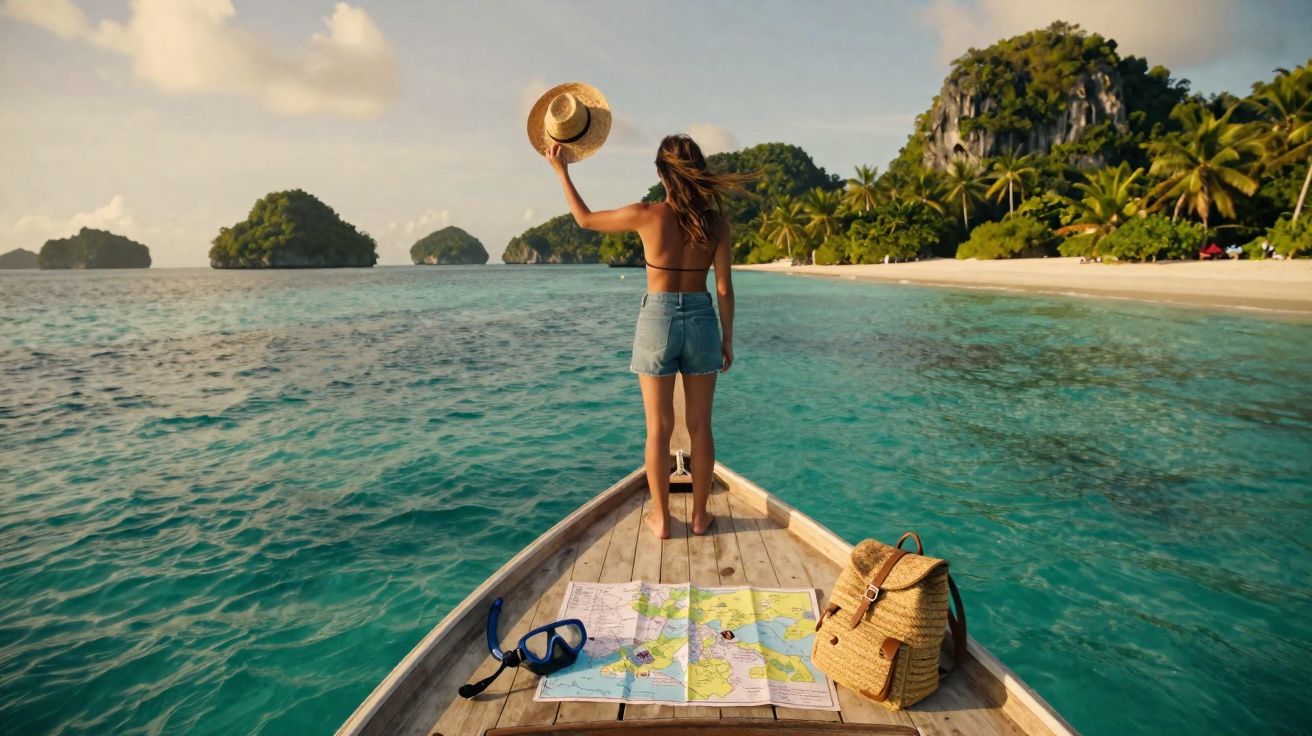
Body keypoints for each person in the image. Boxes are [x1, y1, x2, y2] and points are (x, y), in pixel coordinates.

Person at [535, 98, 748, 538]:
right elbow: (724, 288)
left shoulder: (647, 215)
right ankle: (700, 516)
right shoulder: (717, 224)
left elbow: (585, 219)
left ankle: (661, 518)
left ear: (660, 174)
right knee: (700, 426)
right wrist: (728, 338)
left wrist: (562, 171)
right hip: (703, 317)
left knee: (659, 428)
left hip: (658, 318)